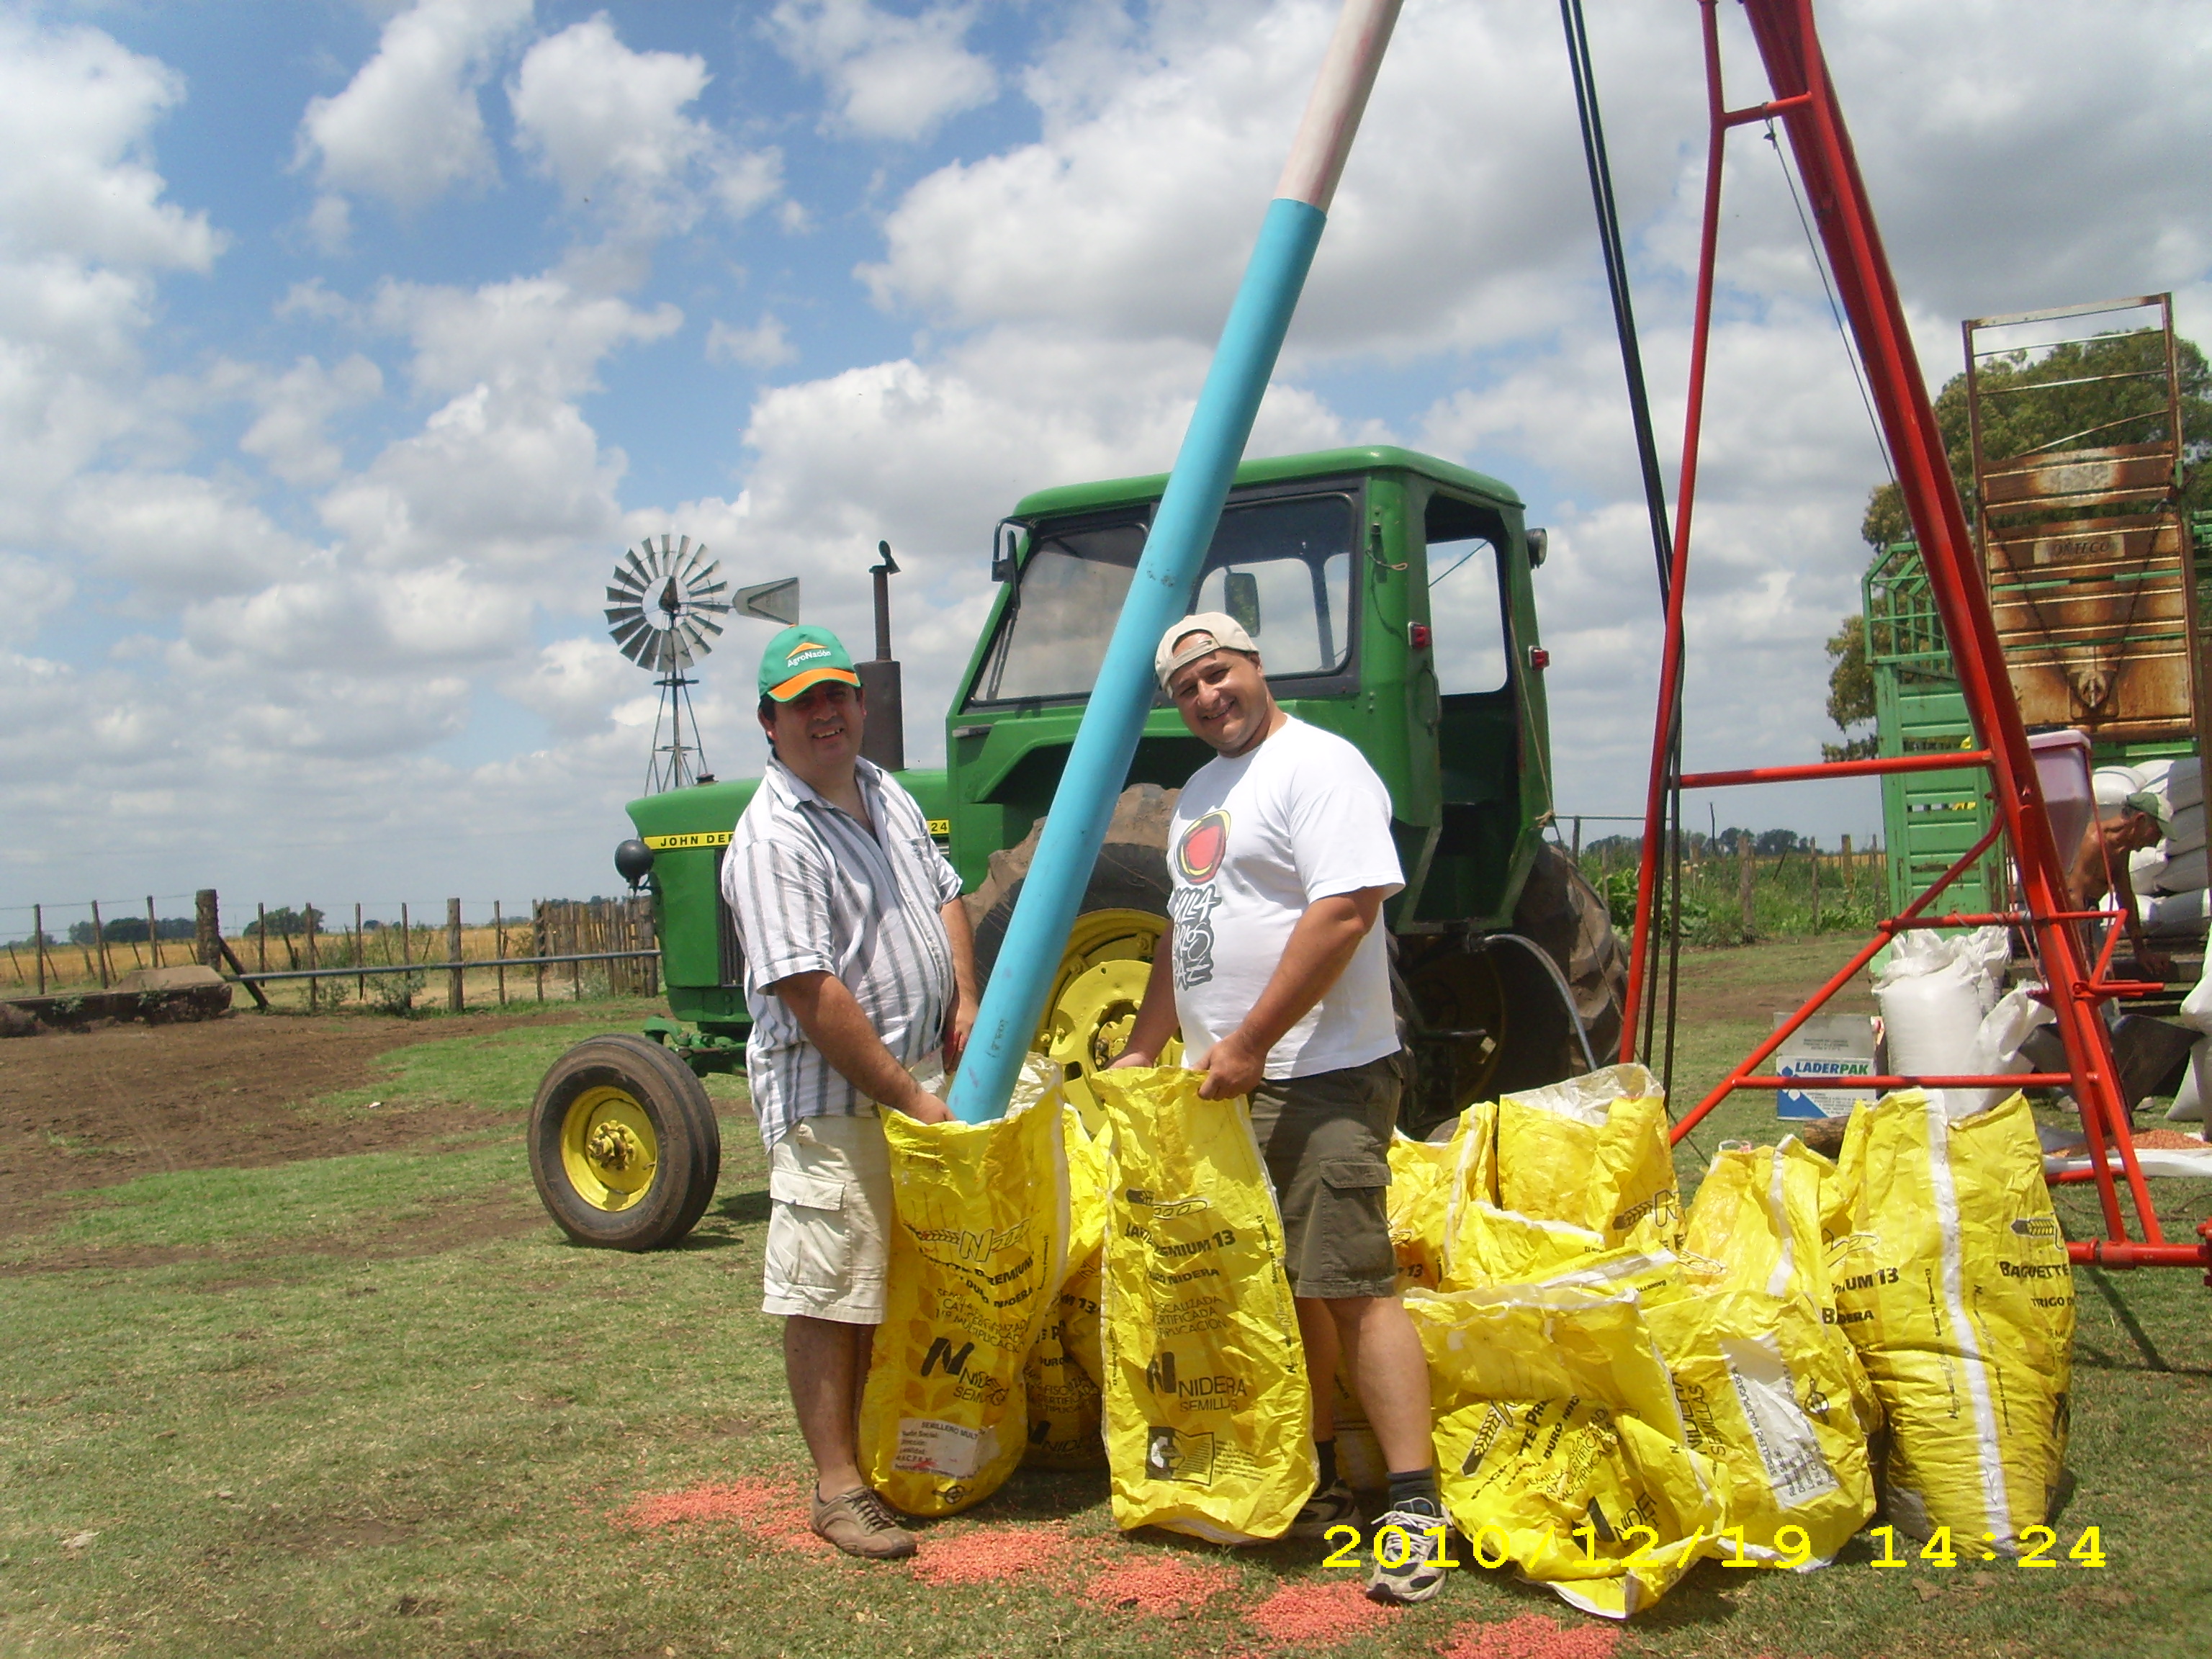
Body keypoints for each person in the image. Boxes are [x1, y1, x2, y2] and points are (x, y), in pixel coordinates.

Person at [1107, 611, 1448, 1605]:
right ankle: (1327, 1480)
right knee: (1287, 1287)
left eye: (1221, 674)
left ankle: (1415, 1510)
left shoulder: (1322, 766)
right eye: (1187, 689)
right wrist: (1144, 1042)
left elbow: (1345, 910)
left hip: (1322, 1071)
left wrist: (1251, 1042)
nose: (1209, 696)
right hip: (1239, 1085)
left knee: (1352, 1280)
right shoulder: (1203, 793)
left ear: (1257, 666)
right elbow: (1187, 929)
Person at [723, 623, 980, 1560]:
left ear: (862, 705)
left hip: (916, 1077)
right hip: (832, 1099)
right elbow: (812, 994)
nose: (826, 715)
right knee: (831, 1287)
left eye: (838, 695)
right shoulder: (772, 838)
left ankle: (879, 1458)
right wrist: (909, 1098)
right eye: (804, 704)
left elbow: (947, 890)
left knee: (893, 1282)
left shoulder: (885, 792)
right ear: (770, 723)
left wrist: (968, 994)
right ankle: (837, 1488)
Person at [2068, 790, 2172, 981]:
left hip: (2088, 919)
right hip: (2066, 923)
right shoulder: (2093, 842)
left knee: (2102, 987)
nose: (2155, 841)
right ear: (2140, 820)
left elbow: (2126, 899)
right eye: (2156, 832)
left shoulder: (2120, 850)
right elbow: (2073, 897)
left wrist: (2140, 950)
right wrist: (2096, 954)